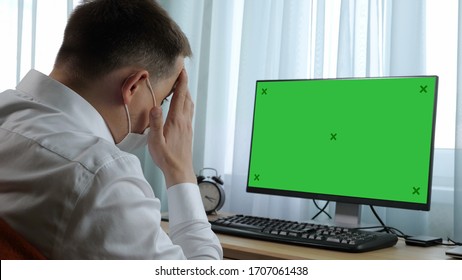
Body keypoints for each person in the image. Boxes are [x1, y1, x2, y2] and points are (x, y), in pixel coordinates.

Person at [0, 0, 222, 260]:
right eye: (162, 101)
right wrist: (180, 170)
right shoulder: (102, 177)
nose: (155, 122)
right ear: (134, 86)